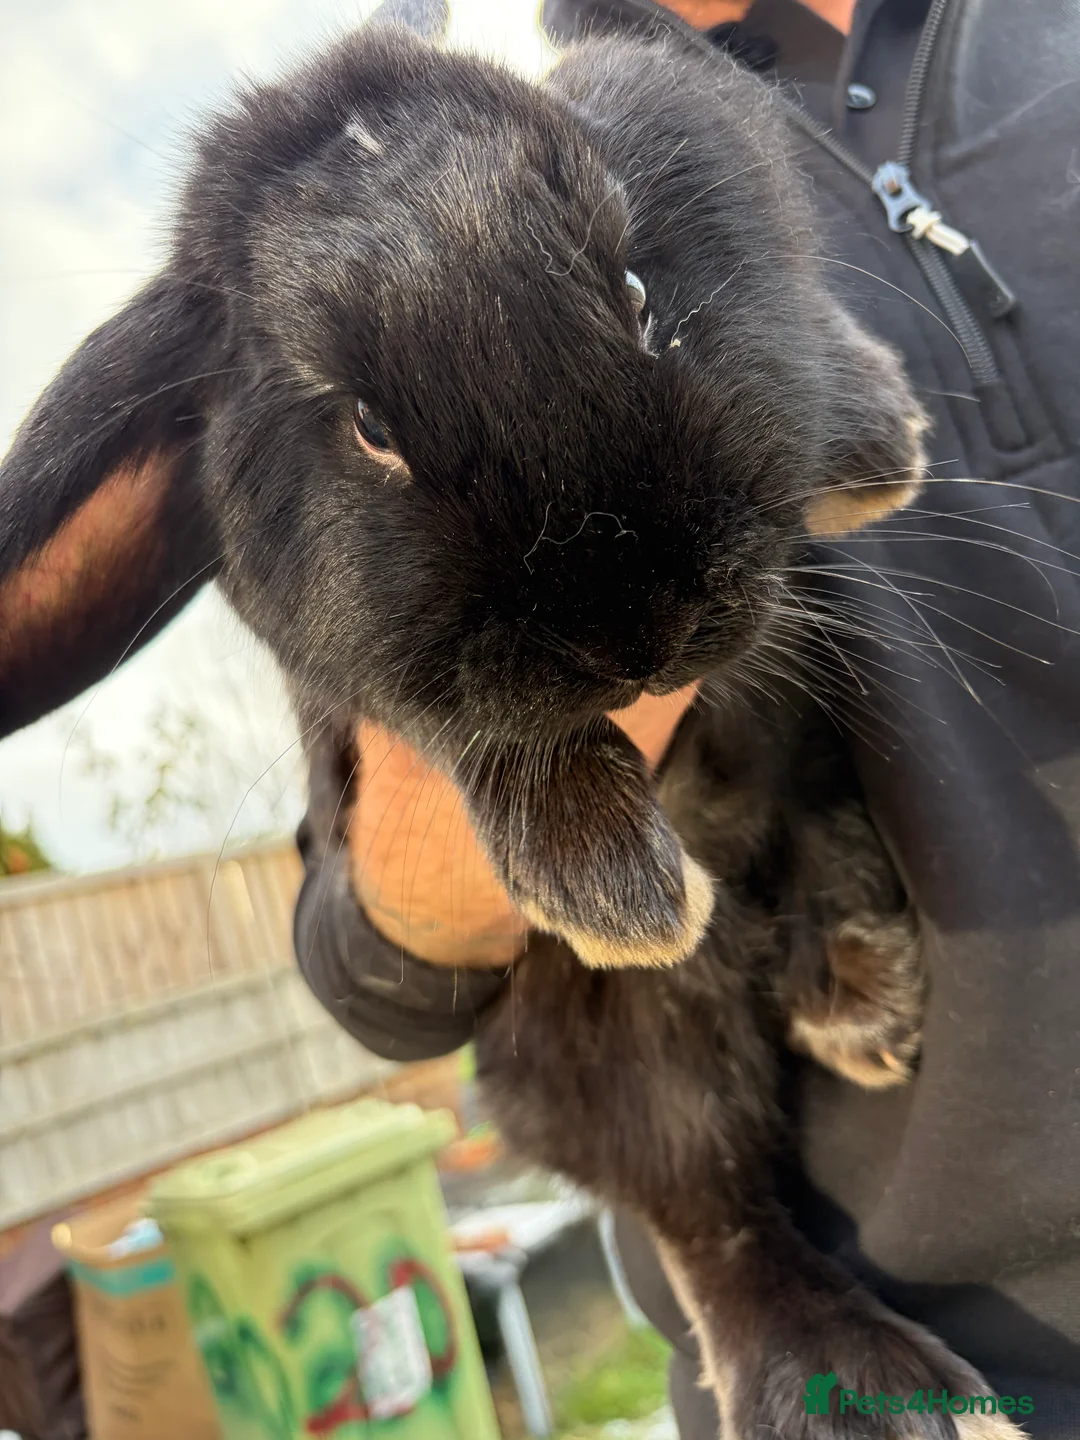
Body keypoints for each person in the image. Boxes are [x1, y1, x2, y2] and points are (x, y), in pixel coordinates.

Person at [295, 1, 1080, 1434]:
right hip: (908, 1362)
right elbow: (375, 964)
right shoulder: (469, 137)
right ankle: (753, 1289)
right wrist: (512, 736)